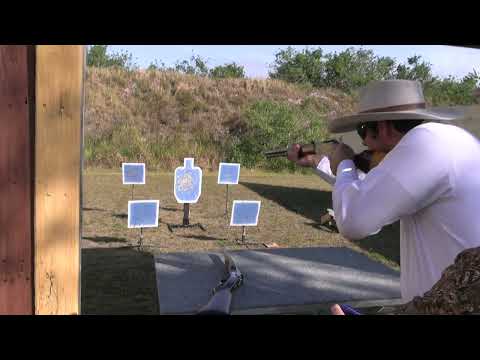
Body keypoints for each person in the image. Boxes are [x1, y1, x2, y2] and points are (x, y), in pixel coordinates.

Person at [288, 80, 480, 312]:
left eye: (363, 130)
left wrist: (345, 163)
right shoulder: (448, 140)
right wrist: (319, 163)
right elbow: (374, 197)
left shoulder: (426, 143)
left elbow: (355, 221)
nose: (363, 141)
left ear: (384, 127)